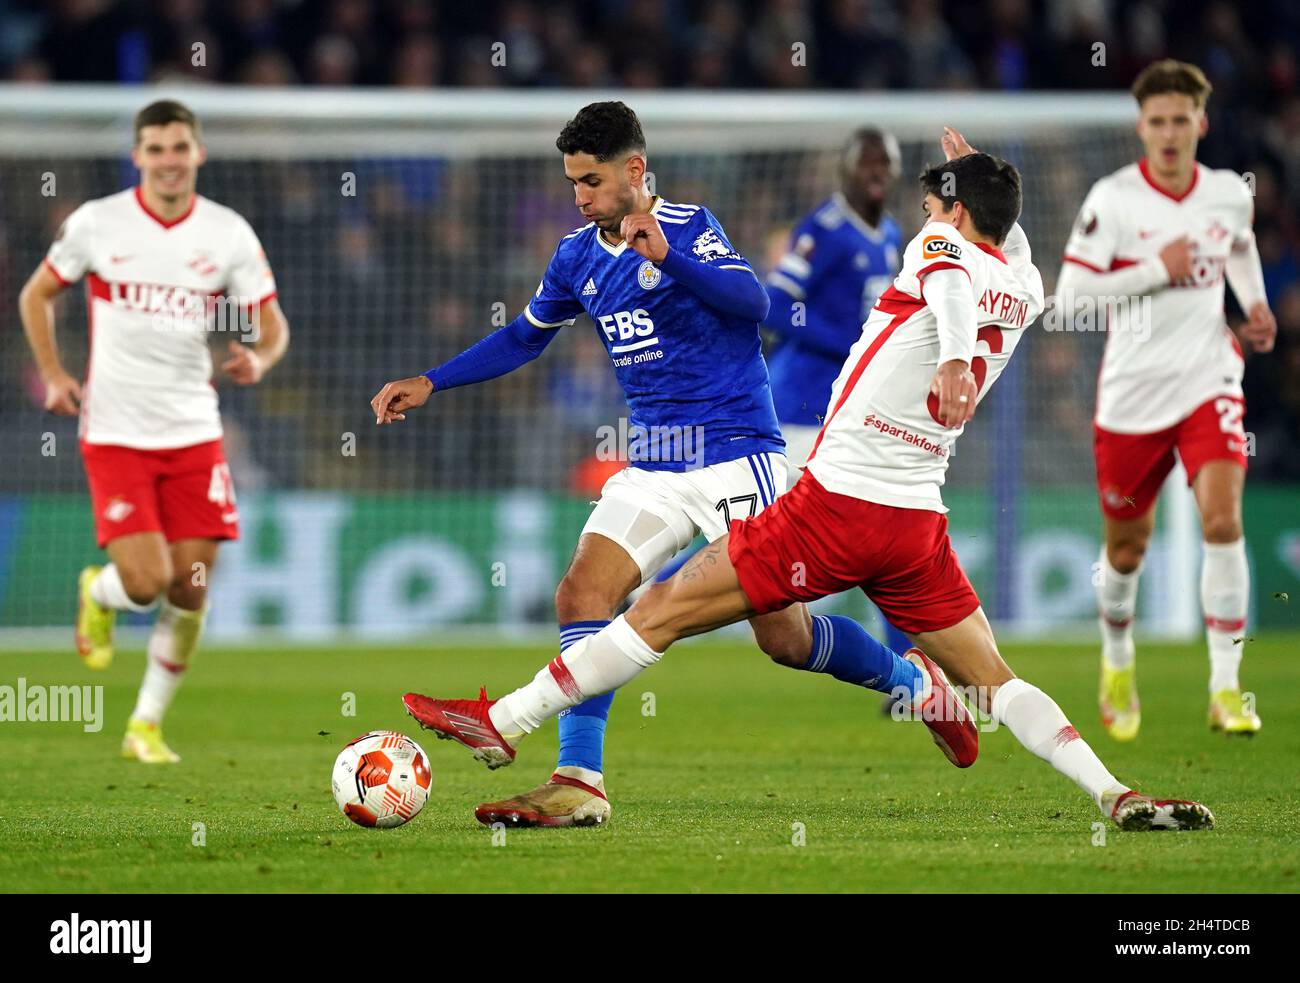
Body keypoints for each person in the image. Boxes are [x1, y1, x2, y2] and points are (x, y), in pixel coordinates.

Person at [404, 129, 1215, 833]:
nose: (924, 217)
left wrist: (959, 355)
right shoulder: (1027, 282)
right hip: (914, 525)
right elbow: (1002, 255)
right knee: (996, 680)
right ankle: (1113, 791)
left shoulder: (937, 250)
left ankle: (504, 719)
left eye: (937, 206)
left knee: (660, 613)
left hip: (830, 505)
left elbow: (947, 282)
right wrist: (979, 186)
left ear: (956, 217)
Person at [372, 102, 942, 827]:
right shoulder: (577, 255)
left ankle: (913, 682)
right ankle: (579, 779)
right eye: (573, 181)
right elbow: (523, 337)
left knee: (785, 637)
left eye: (591, 180)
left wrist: (666, 255)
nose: (579, 196)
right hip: (656, 463)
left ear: (634, 171)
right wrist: (433, 380)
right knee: (582, 592)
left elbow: (755, 301)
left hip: (738, 458)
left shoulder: (691, 227)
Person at [18, 99, 289, 762]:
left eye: (179, 147)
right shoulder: (97, 223)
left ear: (198, 153)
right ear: (138, 156)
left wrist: (260, 356)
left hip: (194, 431)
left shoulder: (227, 233)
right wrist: (53, 373)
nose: (169, 160)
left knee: (190, 584)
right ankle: (99, 589)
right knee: (144, 582)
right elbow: (36, 295)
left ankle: (145, 724)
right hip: (115, 429)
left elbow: (271, 321)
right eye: (156, 148)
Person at [1056, 60, 1275, 741]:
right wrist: (1157, 269)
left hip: (1209, 378)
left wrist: (1257, 303)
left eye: (1182, 119)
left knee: (1221, 518)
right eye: (1158, 121)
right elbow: (1069, 302)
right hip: (1132, 394)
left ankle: (1226, 686)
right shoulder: (1112, 199)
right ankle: (1117, 659)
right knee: (1126, 548)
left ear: (1201, 123)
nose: (1170, 133)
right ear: (1141, 127)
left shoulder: (1227, 195)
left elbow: (1239, 246)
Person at [765, 126, 911, 658]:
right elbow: (775, 305)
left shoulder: (891, 233)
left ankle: (907, 670)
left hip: (848, 409)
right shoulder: (823, 230)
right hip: (800, 405)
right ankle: (643, 597)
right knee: (747, 536)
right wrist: (848, 343)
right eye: (865, 163)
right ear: (846, 170)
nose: (875, 173)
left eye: (884, 163)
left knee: (884, 536)